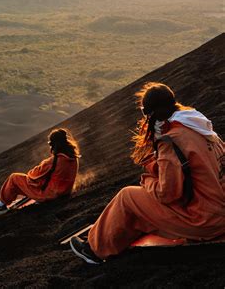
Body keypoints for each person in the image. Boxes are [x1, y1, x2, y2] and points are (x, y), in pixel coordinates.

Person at [70, 82, 225, 264]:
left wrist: (148, 180)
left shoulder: (170, 140)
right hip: (219, 209)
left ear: (153, 113)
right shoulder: (200, 126)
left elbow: (167, 194)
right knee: (142, 201)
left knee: (127, 196)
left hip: (207, 222)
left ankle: (94, 250)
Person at [0, 128, 80, 215]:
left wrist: (43, 163)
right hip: (65, 192)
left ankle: (0, 206)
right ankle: (12, 198)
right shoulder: (73, 157)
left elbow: (32, 175)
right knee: (43, 180)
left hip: (50, 195)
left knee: (14, 178)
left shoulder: (53, 161)